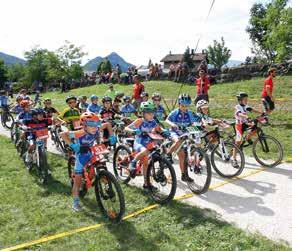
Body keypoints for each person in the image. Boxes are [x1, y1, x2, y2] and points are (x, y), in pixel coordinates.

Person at [60, 112, 116, 211]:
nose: (95, 127)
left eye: (97, 124)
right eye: (91, 125)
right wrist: (72, 145)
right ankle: (76, 203)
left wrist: (112, 136)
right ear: (84, 125)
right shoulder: (80, 133)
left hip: (91, 150)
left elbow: (107, 124)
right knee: (77, 180)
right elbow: (63, 134)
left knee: (101, 164)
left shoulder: (97, 129)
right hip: (81, 154)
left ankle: (104, 181)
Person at [125, 101, 165, 190]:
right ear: (143, 113)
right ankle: (133, 162)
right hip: (139, 142)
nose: (151, 115)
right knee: (145, 152)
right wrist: (134, 131)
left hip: (148, 142)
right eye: (148, 113)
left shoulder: (153, 121)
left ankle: (146, 184)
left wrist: (165, 131)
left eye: (152, 113)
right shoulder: (139, 121)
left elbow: (159, 128)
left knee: (147, 162)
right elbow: (126, 128)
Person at [165, 94, 198, 182]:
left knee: (182, 157)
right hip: (174, 132)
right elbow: (167, 120)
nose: (184, 108)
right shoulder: (175, 112)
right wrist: (173, 124)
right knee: (178, 141)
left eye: (186, 106)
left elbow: (193, 123)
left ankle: (184, 175)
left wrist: (196, 127)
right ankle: (168, 155)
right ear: (179, 104)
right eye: (182, 105)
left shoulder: (189, 113)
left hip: (184, 134)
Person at [233, 92, 262, 166]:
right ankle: (234, 159)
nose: (246, 101)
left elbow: (252, 110)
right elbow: (239, 114)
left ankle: (248, 138)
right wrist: (246, 116)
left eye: (247, 99)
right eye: (245, 99)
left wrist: (261, 113)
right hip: (239, 125)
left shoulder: (245, 106)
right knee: (238, 142)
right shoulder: (237, 107)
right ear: (240, 100)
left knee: (257, 129)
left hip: (245, 123)